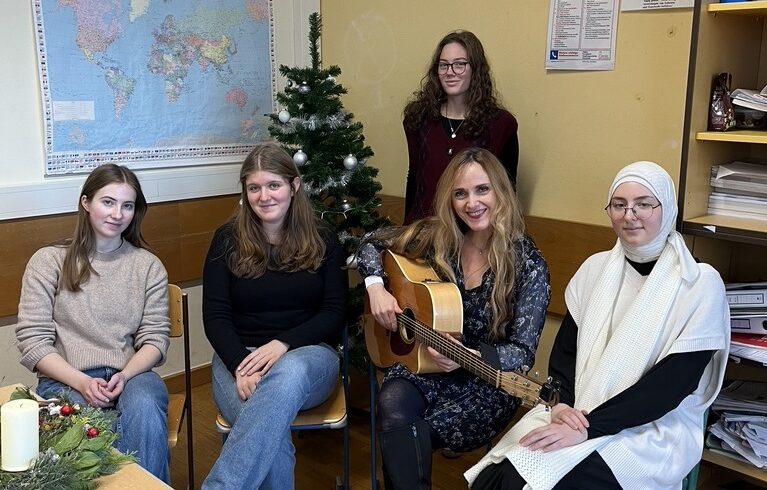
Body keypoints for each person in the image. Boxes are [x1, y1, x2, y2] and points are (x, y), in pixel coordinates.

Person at [466, 161, 731, 490]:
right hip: (578, 410)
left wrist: (588, 427)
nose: (629, 214)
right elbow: (565, 358)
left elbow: (670, 386)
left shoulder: (700, 284)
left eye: (644, 204)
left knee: (553, 482)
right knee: (496, 478)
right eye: (619, 205)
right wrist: (562, 406)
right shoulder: (594, 270)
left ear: (668, 208)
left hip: (651, 429)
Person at [358, 147, 550, 489]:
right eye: (460, 193)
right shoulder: (438, 237)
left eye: (482, 190)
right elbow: (370, 242)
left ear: (500, 192)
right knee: (393, 403)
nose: (471, 203)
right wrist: (376, 288)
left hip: (486, 382)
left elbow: (522, 352)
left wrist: (471, 357)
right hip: (424, 363)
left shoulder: (528, 263)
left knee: (405, 434)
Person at [201, 144, 346, 489]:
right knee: (271, 435)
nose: (264, 196)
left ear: (294, 186)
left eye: (273, 185)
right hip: (238, 358)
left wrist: (283, 344)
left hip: (307, 357)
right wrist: (239, 363)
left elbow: (335, 312)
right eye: (254, 188)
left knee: (288, 374)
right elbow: (215, 315)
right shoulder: (226, 239)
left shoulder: (323, 238)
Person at [15, 164, 170, 482]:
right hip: (65, 380)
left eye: (127, 205)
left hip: (131, 375)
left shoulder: (147, 266)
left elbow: (155, 339)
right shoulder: (49, 261)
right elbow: (33, 343)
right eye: (108, 202)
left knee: (145, 408)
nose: (118, 214)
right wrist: (82, 383)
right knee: (94, 433)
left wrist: (125, 375)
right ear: (86, 202)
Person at [403, 30, 519, 224]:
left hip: (473, 237)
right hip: (424, 233)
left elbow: (507, 190)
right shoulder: (417, 119)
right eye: (443, 65)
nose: (450, 72)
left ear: (475, 69)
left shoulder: (501, 124)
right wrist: (405, 230)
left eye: (459, 64)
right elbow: (414, 179)